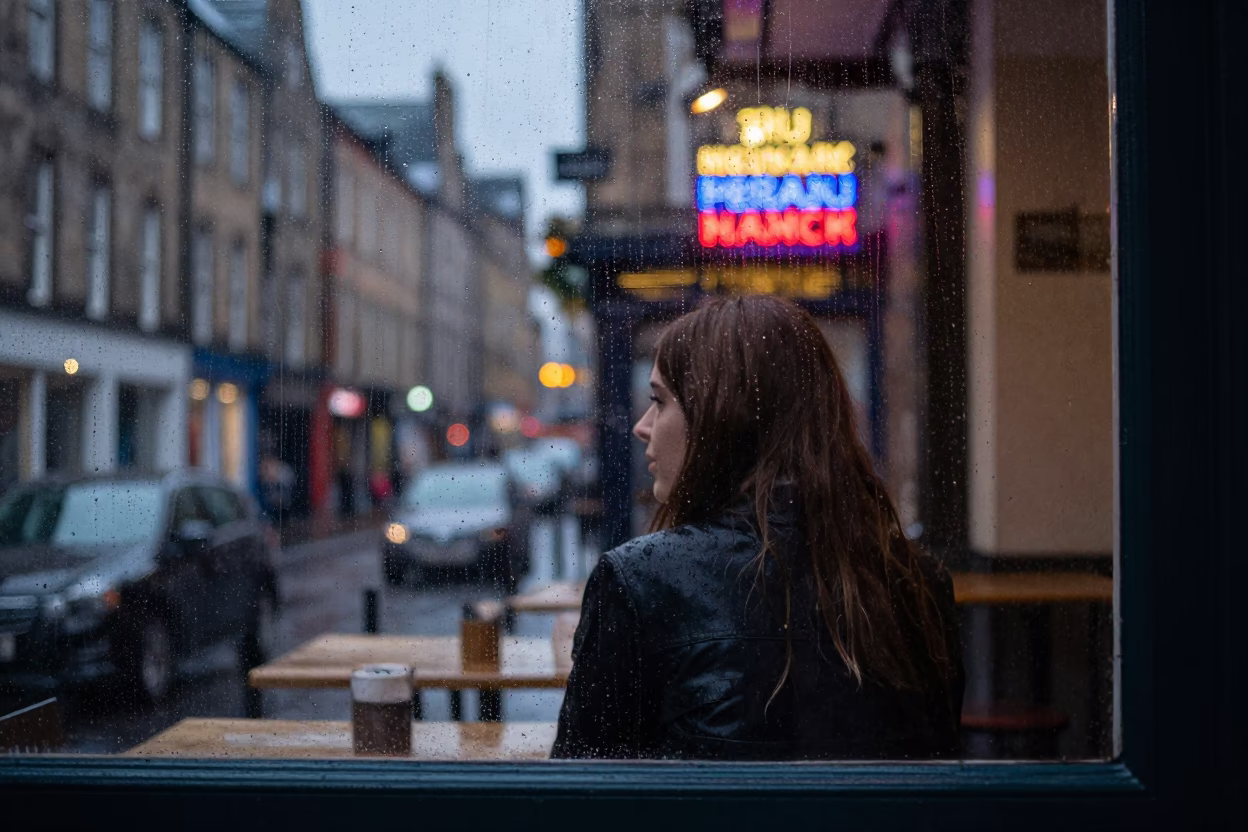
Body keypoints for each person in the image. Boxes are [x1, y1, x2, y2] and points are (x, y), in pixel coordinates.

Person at [551, 296, 964, 760]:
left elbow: (579, 788)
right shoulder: (918, 582)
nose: (643, 427)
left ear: (721, 418)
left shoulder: (640, 583)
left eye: (659, 401)